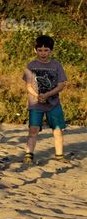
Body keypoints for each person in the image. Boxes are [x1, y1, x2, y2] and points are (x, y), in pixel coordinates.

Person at [22, 34, 68, 164]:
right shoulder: (31, 65)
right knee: (33, 129)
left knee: (58, 130)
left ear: (51, 50)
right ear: (35, 50)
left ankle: (59, 156)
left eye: (46, 50)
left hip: (53, 104)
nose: (43, 53)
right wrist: (37, 96)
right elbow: (28, 86)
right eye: (40, 50)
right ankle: (29, 155)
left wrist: (47, 95)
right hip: (36, 104)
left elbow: (61, 85)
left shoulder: (56, 65)